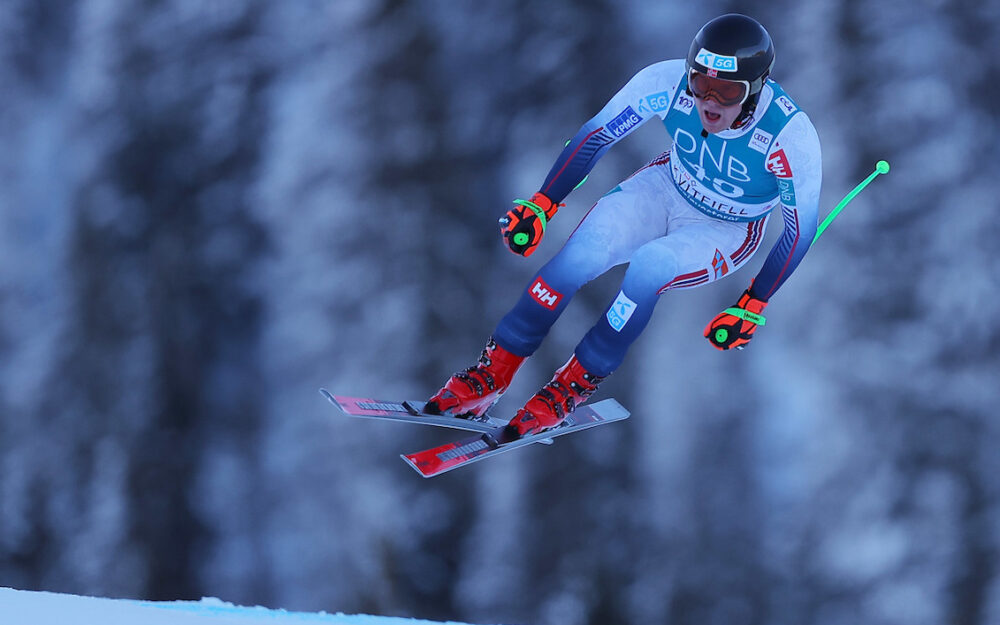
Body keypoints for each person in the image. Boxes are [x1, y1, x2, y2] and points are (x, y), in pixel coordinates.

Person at [426, 14, 822, 439]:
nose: (709, 102)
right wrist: (544, 203)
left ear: (757, 87)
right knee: (579, 254)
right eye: (701, 84)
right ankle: (493, 373)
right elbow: (595, 135)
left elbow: (798, 231)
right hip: (666, 186)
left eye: (726, 92)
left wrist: (753, 302)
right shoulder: (666, 83)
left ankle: (568, 388)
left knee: (650, 266)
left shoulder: (790, 135)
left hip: (727, 228)